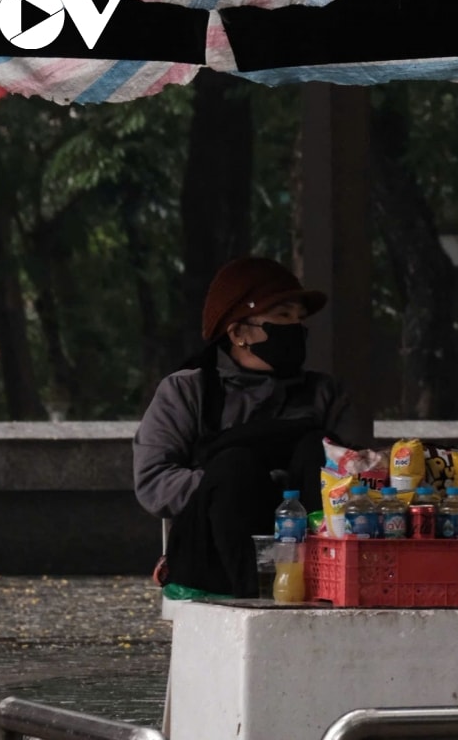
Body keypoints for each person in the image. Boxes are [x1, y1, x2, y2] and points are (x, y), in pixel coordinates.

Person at [134, 256, 359, 599]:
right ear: (239, 333)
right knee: (235, 466)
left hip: (312, 553)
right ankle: (258, 602)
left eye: (299, 319)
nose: (295, 328)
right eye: (282, 316)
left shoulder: (324, 393)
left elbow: (358, 475)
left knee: (318, 448)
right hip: (214, 557)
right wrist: (245, 485)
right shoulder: (188, 391)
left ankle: (324, 589)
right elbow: (153, 481)